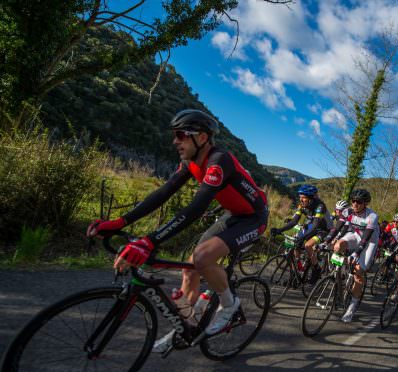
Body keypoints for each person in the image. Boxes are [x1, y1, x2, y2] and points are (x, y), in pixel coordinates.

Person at [87, 109, 269, 350]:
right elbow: (162, 194)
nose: (175, 141)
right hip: (233, 215)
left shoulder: (219, 161)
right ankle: (186, 327)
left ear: (202, 138)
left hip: (255, 217)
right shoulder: (189, 163)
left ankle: (230, 305)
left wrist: (150, 241)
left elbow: (196, 208)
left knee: (203, 258)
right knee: (190, 268)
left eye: (181, 135)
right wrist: (119, 223)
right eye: (175, 135)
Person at [322, 189, 379, 323]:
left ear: (365, 203)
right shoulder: (347, 211)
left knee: (358, 272)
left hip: (369, 241)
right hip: (355, 234)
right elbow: (336, 229)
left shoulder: (372, 216)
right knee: (338, 245)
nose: (355, 204)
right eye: (353, 201)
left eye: (358, 202)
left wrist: (356, 253)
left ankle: (352, 307)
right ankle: (339, 273)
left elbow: (365, 239)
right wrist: (325, 242)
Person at [271, 184, 332, 280]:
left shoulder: (320, 206)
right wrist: (279, 230)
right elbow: (294, 221)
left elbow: (316, 226)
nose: (301, 200)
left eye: (303, 198)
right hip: (311, 227)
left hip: (324, 230)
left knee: (308, 245)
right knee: (295, 242)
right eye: (300, 197)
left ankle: (316, 269)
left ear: (311, 198)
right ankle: (297, 272)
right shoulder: (302, 206)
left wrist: (303, 238)